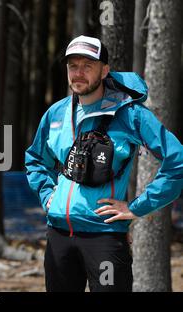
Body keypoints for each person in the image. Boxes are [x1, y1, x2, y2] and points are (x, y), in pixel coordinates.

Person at [25, 35, 183, 292]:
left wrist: (136, 207)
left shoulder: (130, 114)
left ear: (105, 70)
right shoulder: (56, 113)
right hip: (58, 237)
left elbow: (178, 161)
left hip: (104, 239)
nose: (78, 73)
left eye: (87, 66)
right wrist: (46, 195)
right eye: (72, 66)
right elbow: (35, 160)